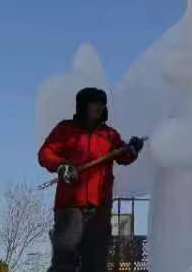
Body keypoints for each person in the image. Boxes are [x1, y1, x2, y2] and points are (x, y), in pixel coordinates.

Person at [38, 87, 145, 272]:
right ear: (83, 106)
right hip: (70, 205)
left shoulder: (109, 135)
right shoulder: (66, 130)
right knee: (65, 258)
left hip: (100, 207)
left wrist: (133, 148)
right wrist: (61, 165)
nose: (99, 108)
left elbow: (124, 156)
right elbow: (45, 153)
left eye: (102, 104)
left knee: (95, 261)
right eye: (95, 104)